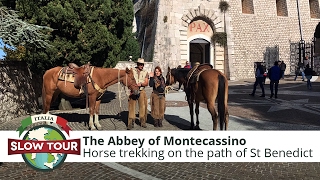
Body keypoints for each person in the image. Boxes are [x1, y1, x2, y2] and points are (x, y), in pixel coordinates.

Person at [127, 58, 149, 129]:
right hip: (133, 91)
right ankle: (130, 123)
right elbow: (128, 80)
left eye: (142, 64)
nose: (141, 66)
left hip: (141, 90)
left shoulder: (145, 72)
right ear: (137, 64)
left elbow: (146, 82)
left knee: (142, 106)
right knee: (131, 106)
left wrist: (141, 84)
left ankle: (142, 122)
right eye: (140, 64)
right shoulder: (132, 71)